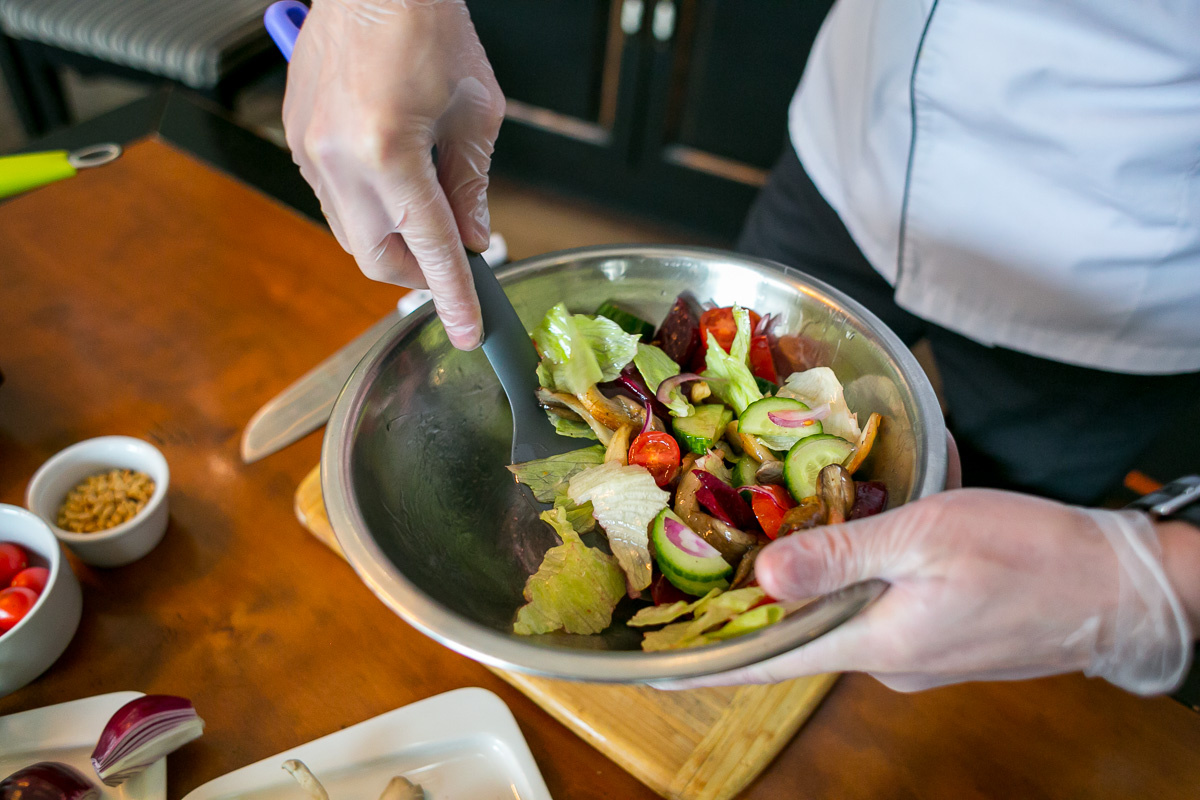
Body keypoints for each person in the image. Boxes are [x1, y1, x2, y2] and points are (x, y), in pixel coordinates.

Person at [280, 0, 1200, 695]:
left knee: (994, 562)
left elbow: (1061, 574)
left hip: (1113, 268)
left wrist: (1140, 584)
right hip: (854, 145)